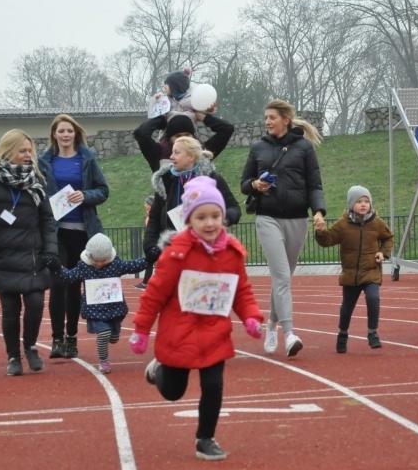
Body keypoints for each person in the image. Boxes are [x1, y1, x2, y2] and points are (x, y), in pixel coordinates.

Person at [129, 176, 264, 461]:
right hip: (179, 333)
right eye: (201, 217)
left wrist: (251, 316)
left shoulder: (232, 254)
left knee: (213, 386)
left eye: (215, 216)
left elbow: (241, 291)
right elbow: (154, 294)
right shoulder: (176, 254)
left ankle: (205, 439)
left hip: (215, 332)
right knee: (174, 392)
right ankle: (159, 370)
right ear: (189, 221)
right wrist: (141, 330)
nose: (210, 223)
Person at [0, 129, 58, 376]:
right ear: (8, 152)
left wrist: (51, 251)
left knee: (36, 303)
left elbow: (48, 221)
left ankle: (30, 347)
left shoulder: (37, 181)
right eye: (23, 151)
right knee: (10, 310)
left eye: (30, 151)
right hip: (2, 258)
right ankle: (13, 357)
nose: (28, 155)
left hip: (32, 258)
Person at [240, 99, 327, 358]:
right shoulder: (258, 148)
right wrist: (255, 185)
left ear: (286, 120)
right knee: (281, 276)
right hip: (267, 217)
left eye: (271, 117)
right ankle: (289, 334)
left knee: (283, 279)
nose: (267, 121)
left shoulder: (304, 148)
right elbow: (244, 183)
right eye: (266, 117)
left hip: (297, 219)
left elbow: (315, 185)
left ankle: (271, 323)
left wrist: (319, 213)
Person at [39, 114, 110, 361]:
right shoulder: (44, 162)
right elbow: (37, 193)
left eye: (70, 131)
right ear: (54, 134)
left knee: (75, 286)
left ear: (75, 133)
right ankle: (57, 339)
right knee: (58, 284)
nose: (66, 135)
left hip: (83, 230)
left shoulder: (87, 159)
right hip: (56, 232)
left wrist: (85, 195)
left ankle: (72, 338)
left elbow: (103, 191)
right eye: (61, 131)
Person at [46, 233, 147, 375]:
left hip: (115, 309)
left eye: (103, 261)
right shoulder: (84, 267)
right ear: (89, 256)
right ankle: (103, 361)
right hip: (95, 311)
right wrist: (57, 268)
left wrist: (149, 259)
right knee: (103, 333)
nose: (99, 264)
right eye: (96, 261)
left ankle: (113, 334)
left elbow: (132, 266)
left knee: (113, 336)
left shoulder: (116, 264)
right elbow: (69, 278)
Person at [314, 186, 394, 353]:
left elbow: (388, 238)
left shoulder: (376, 222)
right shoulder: (343, 224)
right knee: (346, 308)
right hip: (350, 274)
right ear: (351, 204)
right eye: (359, 202)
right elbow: (328, 240)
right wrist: (320, 232)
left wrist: (382, 252)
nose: (363, 205)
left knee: (373, 298)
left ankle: (373, 333)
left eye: (366, 201)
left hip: (371, 271)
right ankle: (342, 334)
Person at [143, 136, 241, 271]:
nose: (171, 157)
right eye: (172, 152)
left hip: (205, 249)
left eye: (177, 152)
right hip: (173, 250)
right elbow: (154, 217)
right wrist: (150, 246)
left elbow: (234, 209)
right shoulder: (165, 181)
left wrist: (215, 220)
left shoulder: (211, 179)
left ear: (191, 157)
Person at [133, 89, 234, 173]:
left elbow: (227, 129)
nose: (183, 139)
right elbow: (141, 133)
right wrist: (161, 120)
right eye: (178, 136)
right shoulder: (158, 153)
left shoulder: (202, 152)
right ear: (169, 137)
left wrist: (203, 117)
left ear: (193, 136)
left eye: (187, 134)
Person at [133, 196, 154, 290]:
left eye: (146, 203)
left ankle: (146, 283)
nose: (144, 205)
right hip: (152, 242)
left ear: (150, 205)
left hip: (154, 242)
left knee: (150, 262)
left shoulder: (153, 215)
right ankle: (146, 283)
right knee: (150, 262)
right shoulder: (151, 214)